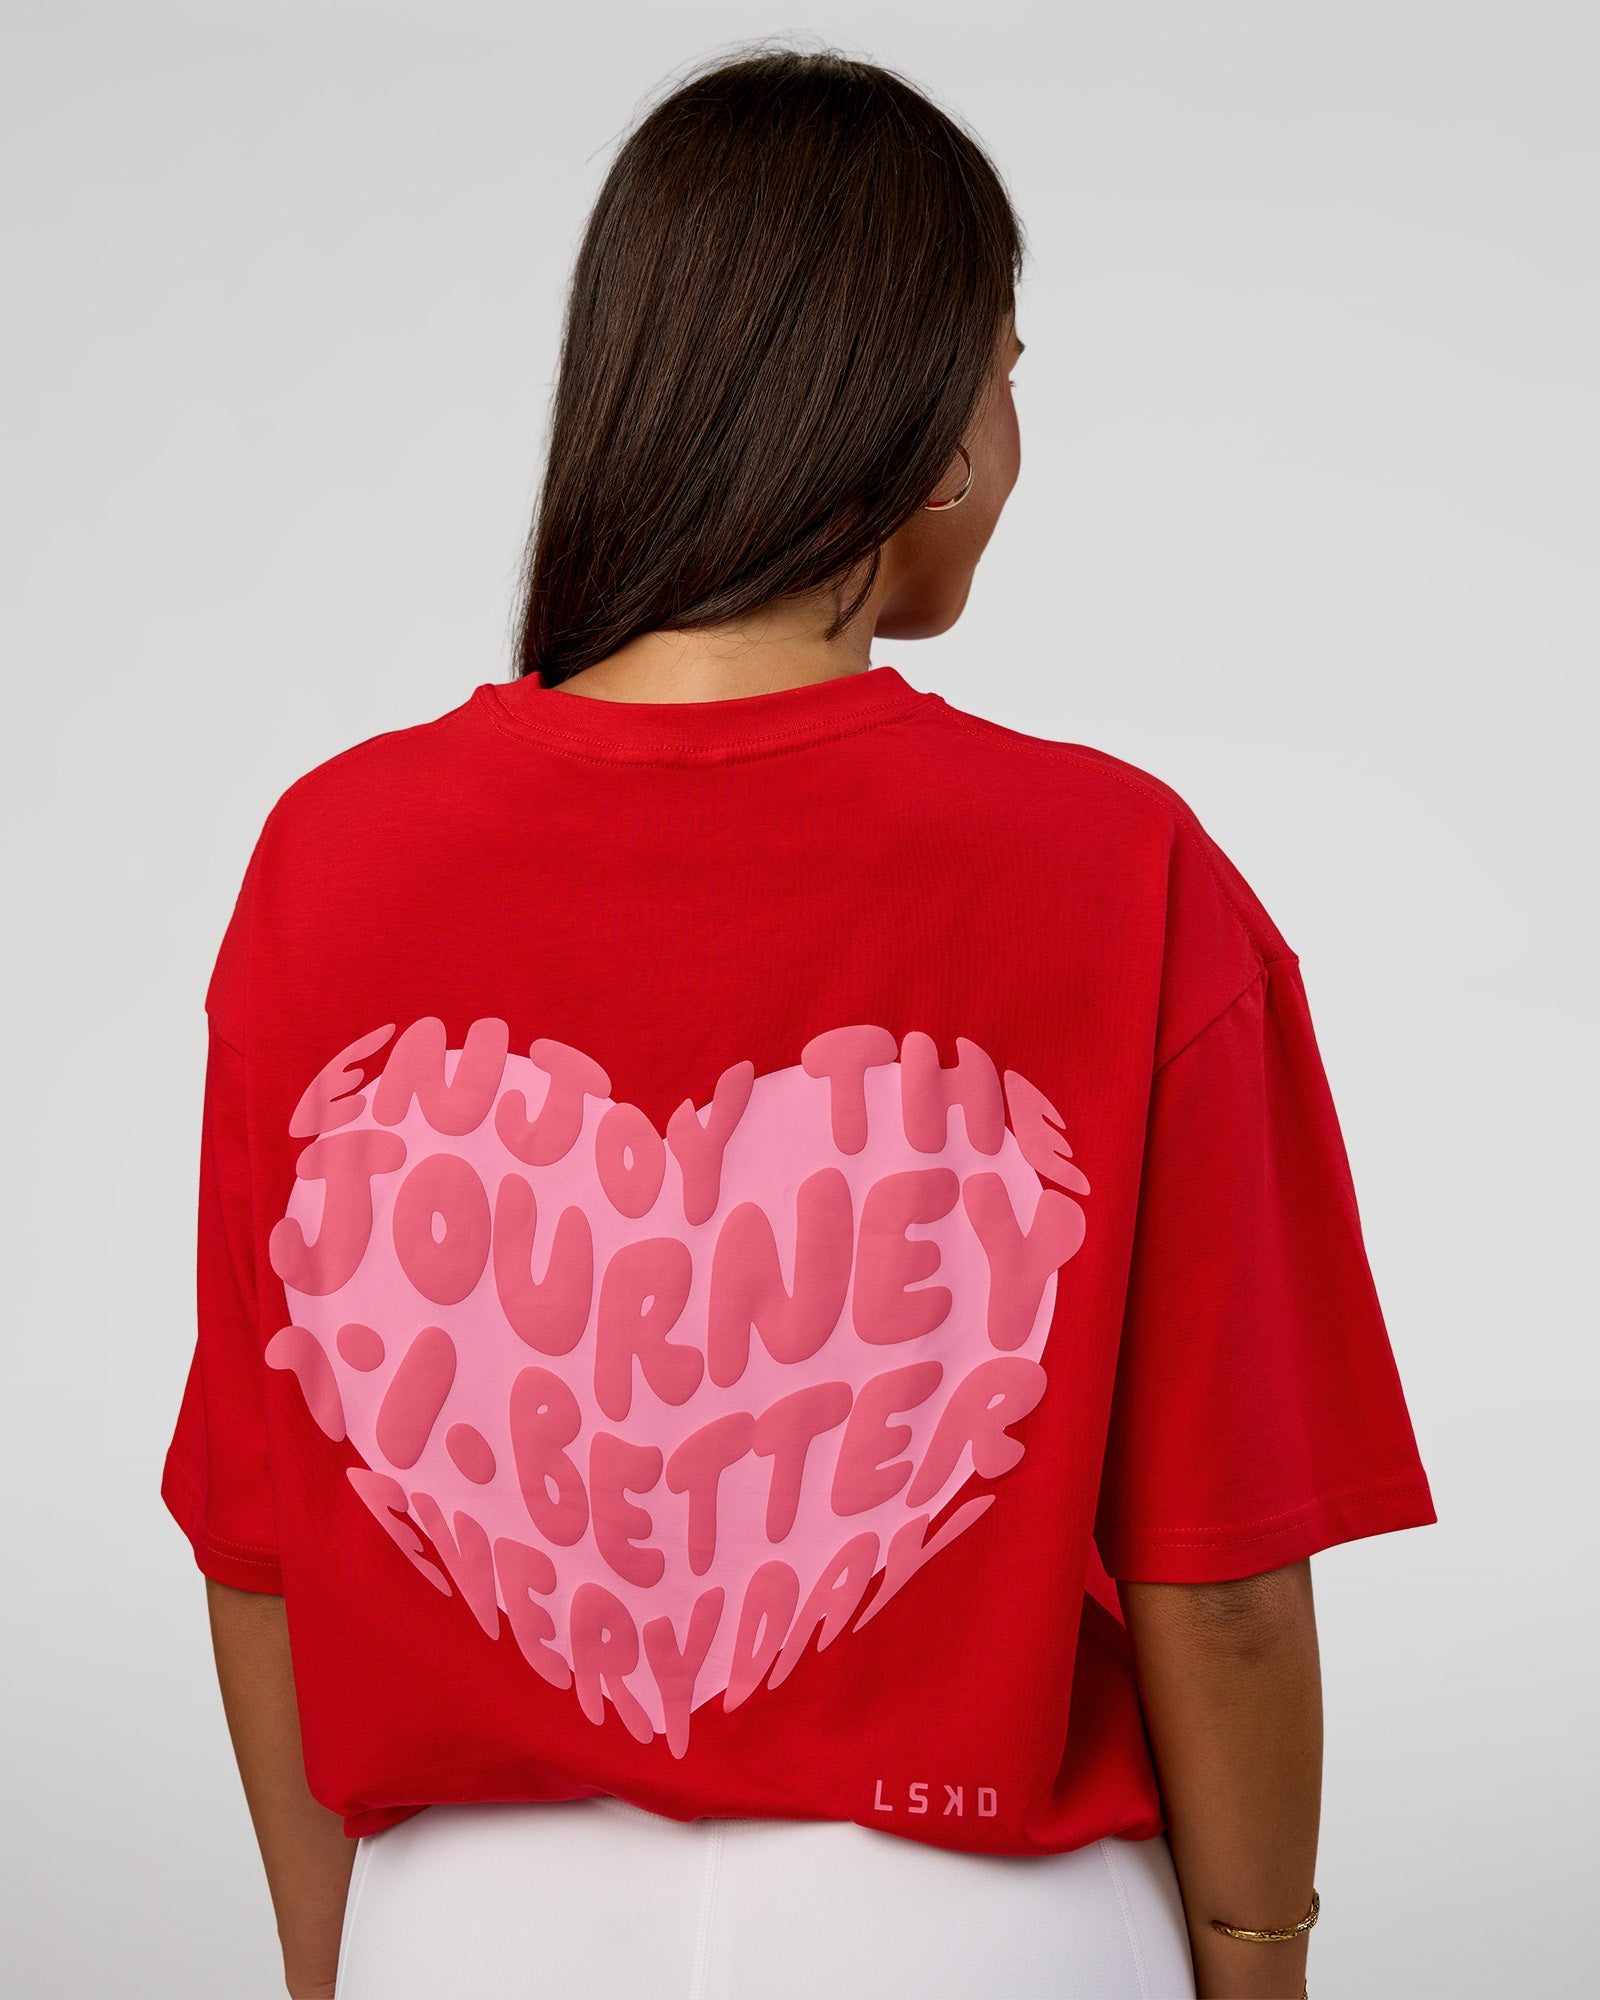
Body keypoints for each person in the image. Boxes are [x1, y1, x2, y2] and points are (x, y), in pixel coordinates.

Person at [161, 45, 1436, 2000]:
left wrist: (342, 1965)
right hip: (984, 1937)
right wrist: (1260, 1965)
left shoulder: (328, 860)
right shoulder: (1119, 867)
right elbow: (1225, 1574)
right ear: (928, 421)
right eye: (1006, 367)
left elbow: (257, 1543)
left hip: (468, 1931)